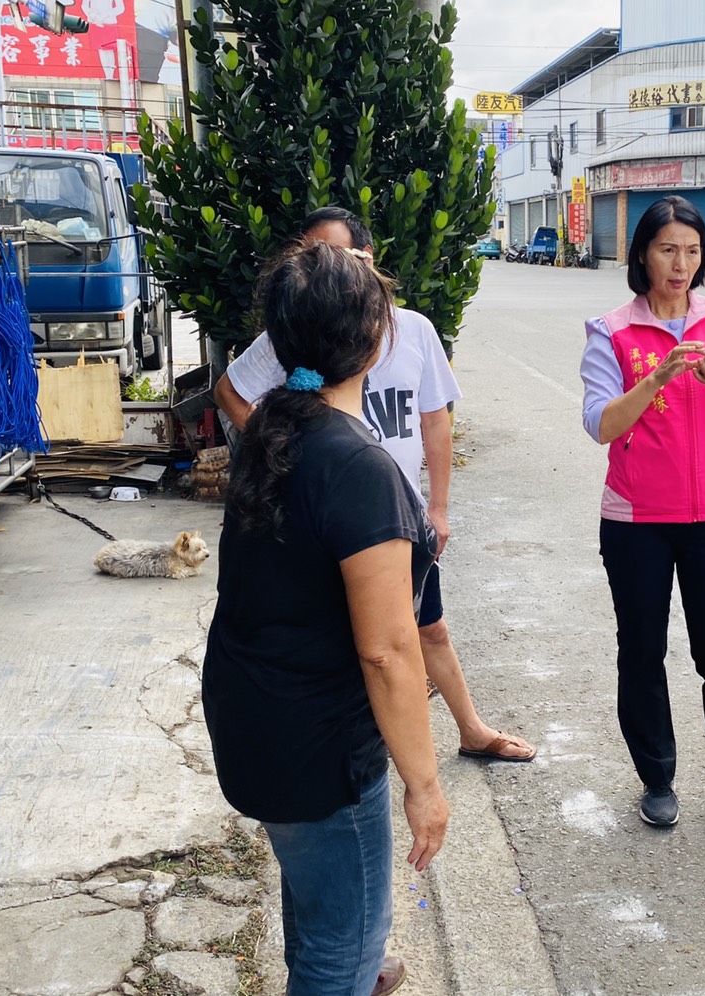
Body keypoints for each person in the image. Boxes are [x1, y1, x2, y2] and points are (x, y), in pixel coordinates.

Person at [202, 240, 448, 996]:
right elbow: (387, 651)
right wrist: (424, 783)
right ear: (378, 337)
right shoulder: (355, 468)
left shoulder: (275, 424)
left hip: (256, 716)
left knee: (322, 909)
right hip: (317, 748)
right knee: (345, 947)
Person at [214, 208, 536, 765]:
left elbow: (436, 419)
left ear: (367, 266)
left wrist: (437, 507)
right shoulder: (298, 347)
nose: (323, 274)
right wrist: (283, 447)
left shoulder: (407, 331)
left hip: (394, 514)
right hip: (335, 516)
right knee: (377, 644)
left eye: (338, 261)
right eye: (311, 262)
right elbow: (231, 391)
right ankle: (381, 749)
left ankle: (469, 728)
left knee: (422, 629)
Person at [579, 195, 705, 828]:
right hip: (636, 520)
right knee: (641, 649)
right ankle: (657, 776)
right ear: (642, 253)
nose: (680, 264)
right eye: (668, 250)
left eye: (692, 251)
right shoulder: (612, 330)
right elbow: (600, 425)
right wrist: (657, 378)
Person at [81, 0, 124, 79]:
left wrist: (105, 15)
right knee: (101, 50)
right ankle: (107, 76)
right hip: (94, 21)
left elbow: (120, 7)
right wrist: (92, 15)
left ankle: (111, 76)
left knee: (109, 50)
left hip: (109, 21)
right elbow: (84, 4)